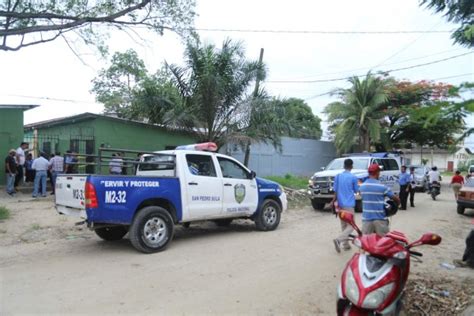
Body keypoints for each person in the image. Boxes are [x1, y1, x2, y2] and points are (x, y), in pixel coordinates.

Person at [359, 164, 400, 236]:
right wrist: (397, 202)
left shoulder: (362, 187)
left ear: (369, 173)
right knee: (383, 242)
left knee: (366, 243)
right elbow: (395, 198)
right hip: (380, 219)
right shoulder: (382, 187)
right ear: (377, 173)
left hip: (366, 219)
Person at [330, 158, 359, 253]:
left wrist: (332, 201)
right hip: (349, 205)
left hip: (340, 205)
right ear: (351, 166)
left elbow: (335, 191)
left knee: (343, 224)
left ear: (344, 166)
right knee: (351, 226)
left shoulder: (338, 176)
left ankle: (346, 245)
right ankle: (339, 240)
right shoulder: (353, 177)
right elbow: (356, 190)